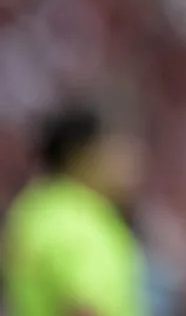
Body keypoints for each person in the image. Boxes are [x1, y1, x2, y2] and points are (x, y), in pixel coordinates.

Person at [2, 106, 146, 316]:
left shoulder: (35, 210)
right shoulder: (79, 222)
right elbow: (83, 308)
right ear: (81, 156)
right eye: (119, 149)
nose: (133, 160)